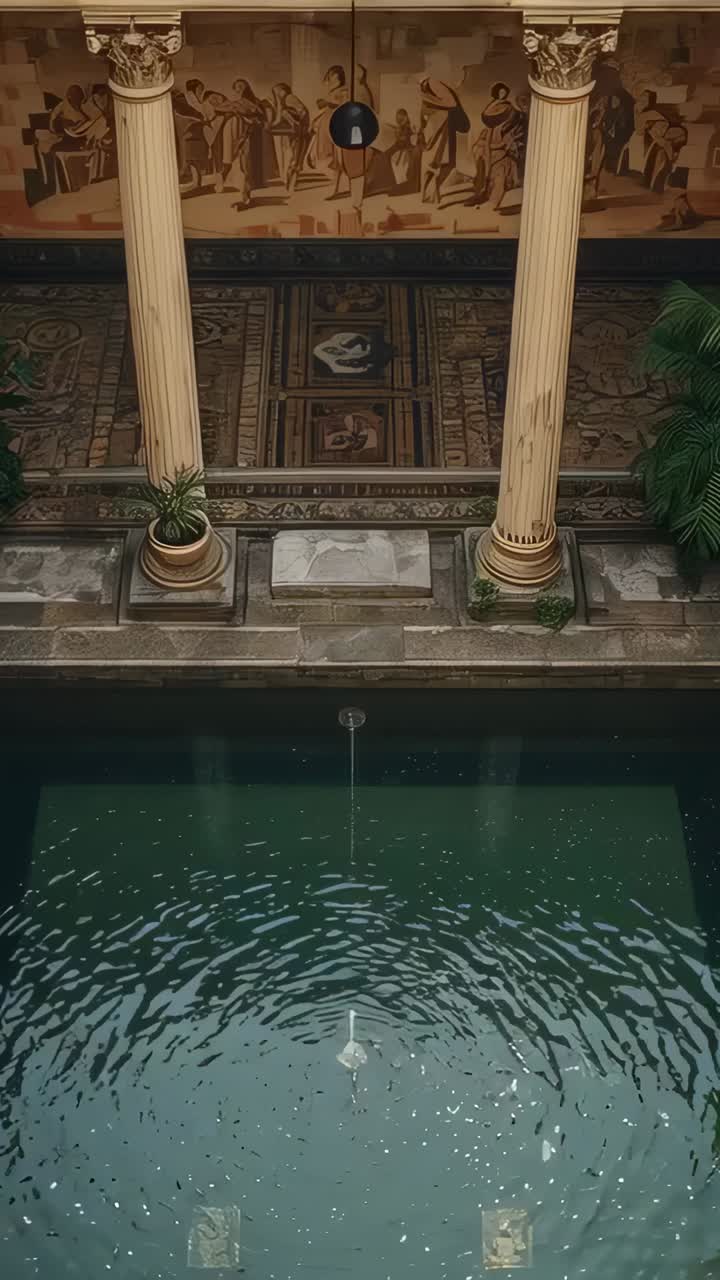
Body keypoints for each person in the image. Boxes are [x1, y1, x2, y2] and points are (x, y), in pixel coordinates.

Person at [468, 82, 523, 209]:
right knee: (485, 165)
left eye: (504, 92)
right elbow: (487, 119)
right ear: (496, 93)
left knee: (499, 172)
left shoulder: (507, 108)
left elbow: (511, 131)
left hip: (502, 146)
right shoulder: (491, 109)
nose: (502, 94)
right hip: (491, 145)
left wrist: (503, 144)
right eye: (500, 92)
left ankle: (493, 201)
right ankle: (482, 194)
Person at [419, 76, 469, 204]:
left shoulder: (432, 83)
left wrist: (429, 98)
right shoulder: (426, 87)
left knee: (438, 163)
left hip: (441, 127)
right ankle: (430, 196)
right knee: (433, 163)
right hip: (434, 128)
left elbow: (451, 103)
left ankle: (432, 196)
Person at [270, 83, 310, 194]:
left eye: (278, 91)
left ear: (284, 90)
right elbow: (278, 120)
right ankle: (290, 184)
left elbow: (302, 111)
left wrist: (297, 122)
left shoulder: (289, 98)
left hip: (299, 131)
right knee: (294, 158)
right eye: (276, 93)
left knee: (294, 158)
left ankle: (291, 184)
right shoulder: (283, 103)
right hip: (296, 133)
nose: (278, 94)